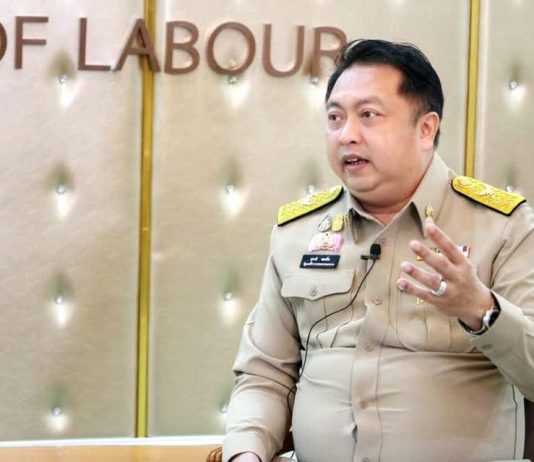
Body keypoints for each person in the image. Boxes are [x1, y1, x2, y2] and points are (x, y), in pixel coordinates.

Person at [222, 39, 534, 462]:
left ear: (426, 129)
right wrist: (245, 453)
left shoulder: (504, 227)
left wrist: (482, 310)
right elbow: (264, 375)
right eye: (335, 118)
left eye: (368, 115)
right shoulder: (297, 232)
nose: (347, 134)